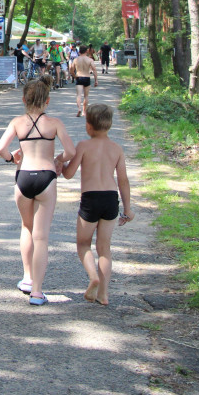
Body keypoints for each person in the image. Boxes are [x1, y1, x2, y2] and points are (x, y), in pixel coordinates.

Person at [0, 78, 75, 306]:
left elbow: (0, 148)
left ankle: (27, 278)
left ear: (23, 100)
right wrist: (58, 160)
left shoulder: (17, 122)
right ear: (47, 101)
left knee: (26, 228)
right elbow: (70, 150)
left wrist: (12, 158)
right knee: (42, 236)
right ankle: (37, 292)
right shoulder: (55, 123)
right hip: (46, 178)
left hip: (23, 178)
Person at [60, 103, 133, 305]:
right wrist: (127, 208)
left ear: (88, 126)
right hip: (111, 199)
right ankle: (103, 293)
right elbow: (123, 180)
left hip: (91, 199)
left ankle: (93, 276)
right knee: (105, 249)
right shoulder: (117, 149)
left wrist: (61, 163)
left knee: (83, 244)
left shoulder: (83, 146)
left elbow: (68, 174)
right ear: (109, 125)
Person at [71, 45, 99, 117]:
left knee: (78, 95)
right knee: (86, 96)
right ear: (86, 51)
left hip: (79, 77)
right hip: (87, 77)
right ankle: (84, 111)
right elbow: (94, 70)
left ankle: (79, 109)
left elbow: (71, 70)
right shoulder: (90, 60)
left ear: (79, 51)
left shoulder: (76, 60)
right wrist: (96, 80)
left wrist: (74, 76)